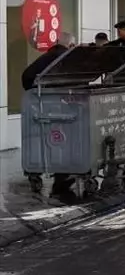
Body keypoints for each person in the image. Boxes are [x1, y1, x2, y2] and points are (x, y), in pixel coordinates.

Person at [22, 33, 77, 199]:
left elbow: (27, 76)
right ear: (71, 46)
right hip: (57, 102)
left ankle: (34, 172)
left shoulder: (47, 56)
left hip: (39, 101)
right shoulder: (66, 57)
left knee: (39, 138)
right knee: (61, 138)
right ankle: (62, 175)